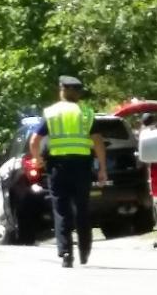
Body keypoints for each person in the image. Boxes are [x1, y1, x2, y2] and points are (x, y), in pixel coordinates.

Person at [30, 76, 108, 268]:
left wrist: (38, 158)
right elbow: (97, 142)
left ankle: (66, 253)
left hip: (58, 168)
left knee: (61, 209)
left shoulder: (51, 113)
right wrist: (103, 169)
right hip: (82, 167)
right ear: (78, 93)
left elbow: (34, 141)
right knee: (82, 208)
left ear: (61, 90)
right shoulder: (86, 113)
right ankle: (84, 250)